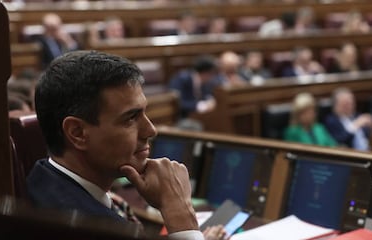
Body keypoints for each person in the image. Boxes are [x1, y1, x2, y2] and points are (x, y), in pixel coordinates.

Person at [27, 51, 227, 240]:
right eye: (130, 118)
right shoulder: (85, 226)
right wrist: (181, 217)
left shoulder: (43, 177)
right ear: (77, 133)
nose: (151, 130)